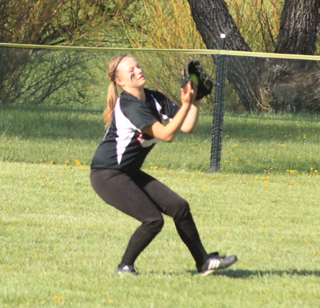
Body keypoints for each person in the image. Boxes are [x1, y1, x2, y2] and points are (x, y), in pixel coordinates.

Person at [90, 54, 237, 276]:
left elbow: (187, 126)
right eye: (131, 71)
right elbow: (167, 134)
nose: (138, 71)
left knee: (179, 207)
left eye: (138, 66)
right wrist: (187, 103)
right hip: (107, 175)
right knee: (152, 220)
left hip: (128, 172)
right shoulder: (129, 105)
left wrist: (195, 99)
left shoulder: (154, 98)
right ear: (120, 82)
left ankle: (204, 262)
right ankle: (125, 267)